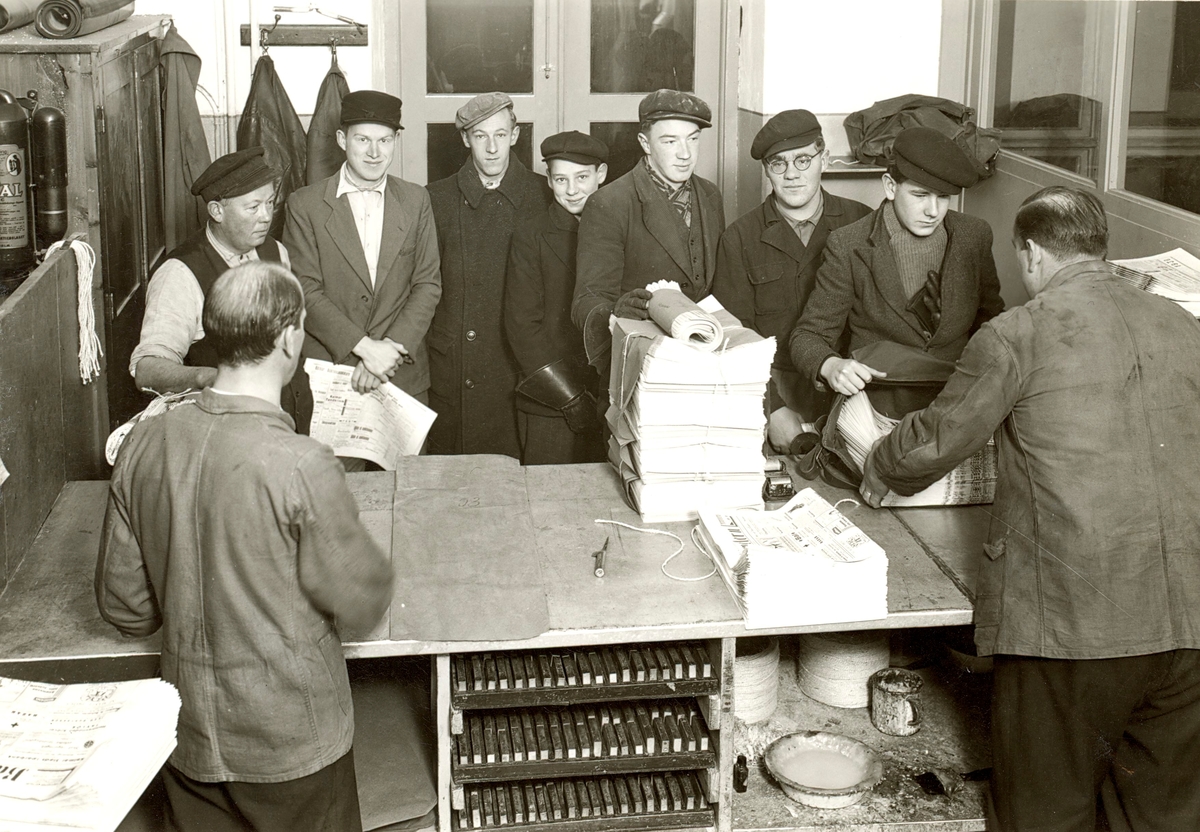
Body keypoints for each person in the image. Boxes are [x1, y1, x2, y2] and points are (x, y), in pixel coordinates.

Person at [860, 186, 1200, 832]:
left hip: (1072, 631)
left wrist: (875, 459)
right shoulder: (1187, 327)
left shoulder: (1020, 332)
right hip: (1190, 631)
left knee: (1044, 815)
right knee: (1161, 819)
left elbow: (935, 439)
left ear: (1033, 256)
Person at [97, 262, 394, 832]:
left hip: (190, 743)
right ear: (289, 338)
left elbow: (127, 611)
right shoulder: (302, 462)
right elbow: (361, 605)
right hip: (293, 746)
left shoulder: (143, 444)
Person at [790, 126, 1004, 417]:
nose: (933, 211)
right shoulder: (848, 244)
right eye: (920, 195)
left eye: (943, 197)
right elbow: (808, 335)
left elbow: (993, 325)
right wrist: (830, 365)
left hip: (956, 400)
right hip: (881, 402)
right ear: (890, 186)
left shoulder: (973, 235)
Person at [711, 109, 872, 451]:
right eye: (778, 163)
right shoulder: (739, 238)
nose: (792, 175)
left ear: (824, 158)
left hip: (851, 392)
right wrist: (770, 410)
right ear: (767, 170)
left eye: (803, 160)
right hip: (773, 390)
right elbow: (733, 339)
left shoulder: (862, 222)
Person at [129, 147, 312, 429]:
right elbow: (147, 369)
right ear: (217, 211)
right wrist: (206, 378)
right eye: (253, 207)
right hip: (230, 432)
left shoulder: (275, 251)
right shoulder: (179, 274)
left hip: (289, 420)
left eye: (270, 203)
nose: (266, 216)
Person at [285, 90, 441, 404]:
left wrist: (388, 353)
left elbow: (427, 285)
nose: (374, 153)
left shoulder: (415, 200)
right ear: (342, 139)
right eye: (363, 140)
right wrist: (365, 349)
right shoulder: (305, 204)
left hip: (401, 375)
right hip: (331, 374)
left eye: (385, 140)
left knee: (406, 457)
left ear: (396, 140)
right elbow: (304, 288)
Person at [426, 92, 552, 457]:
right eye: (480, 136)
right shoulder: (436, 199)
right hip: (456, 369)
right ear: (466, 139)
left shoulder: (543, 195)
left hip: (520, 367)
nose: (492, 147)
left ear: (515, 135)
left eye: (501, 134)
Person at [571, 89, 725, 384]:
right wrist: (615, 311)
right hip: (643, 371)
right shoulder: (610, 203)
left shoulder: (710, 195)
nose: (685, 153)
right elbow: (585, 302)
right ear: (645, 143)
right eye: (670, 141)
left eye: (693, 139)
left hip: (705, 364)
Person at [503, 131, 608, 465]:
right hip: (552, 401)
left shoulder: (619, 227)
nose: (572, 190)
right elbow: (521, 325)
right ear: (548, 180)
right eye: (561, 179)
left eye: (582, 178)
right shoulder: (531, 234)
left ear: (601, 175)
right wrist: (571, 398)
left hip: (609, 398)